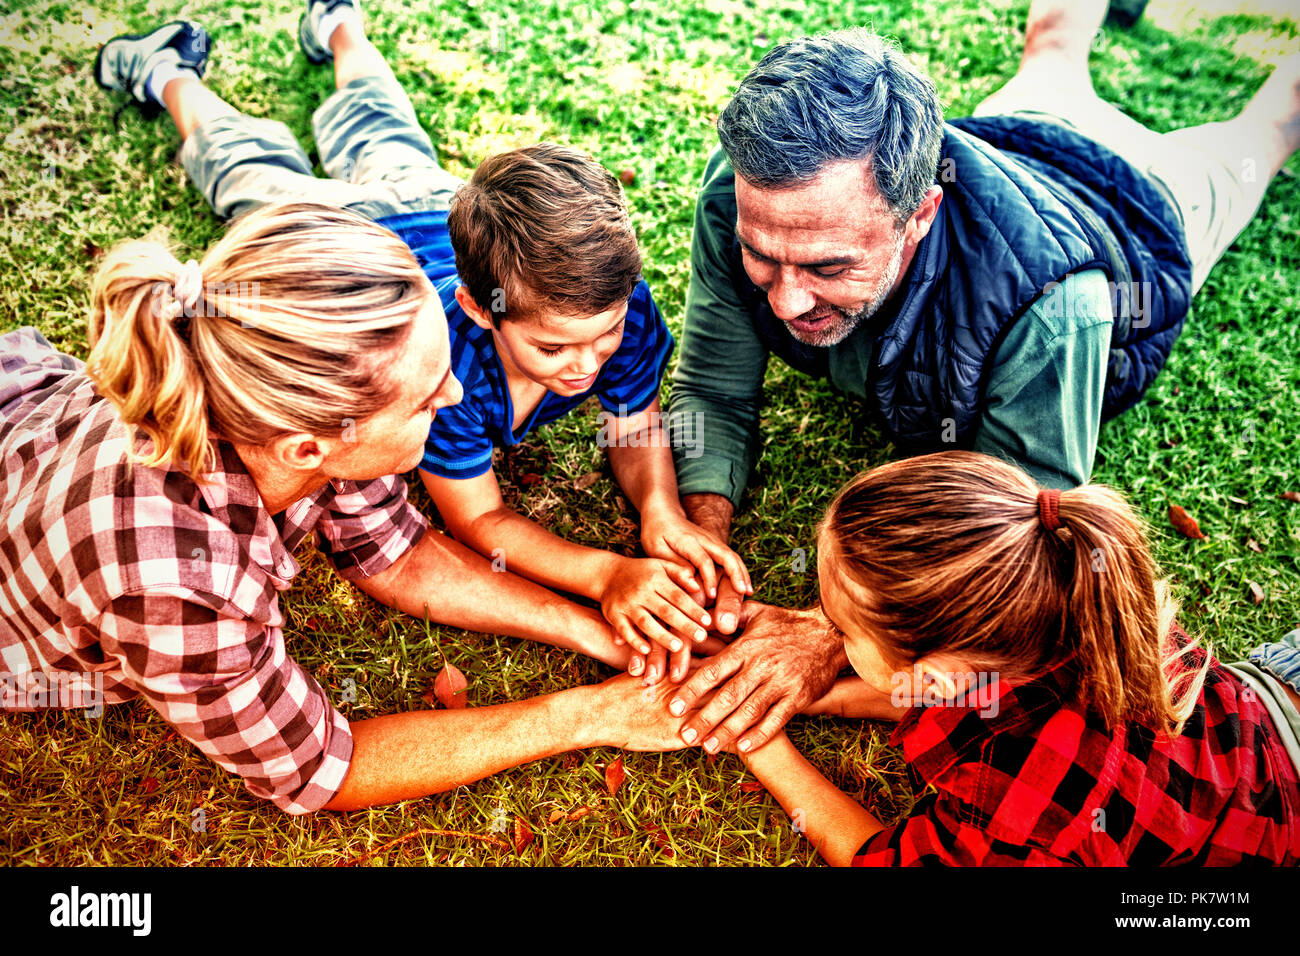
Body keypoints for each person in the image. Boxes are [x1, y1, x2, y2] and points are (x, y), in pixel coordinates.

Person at [662, 0, 1300, 757]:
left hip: (1148, 199)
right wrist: (701, 546)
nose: (785, 298)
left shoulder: (1055, 312)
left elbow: (1013, 537)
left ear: (921, 213)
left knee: (1268, 130)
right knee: (1053, 49)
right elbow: (711, 388)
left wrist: (829, 635)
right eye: (762, 255)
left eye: (828, 266)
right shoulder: (744, 198)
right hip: (1020, 133)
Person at [93, 2, 750, 684]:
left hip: (431, 200)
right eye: (553, 348)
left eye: (607, 333)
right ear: (479, 309)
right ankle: (169, 71)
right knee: (244, 170)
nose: (587, 364)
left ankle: (339, 27)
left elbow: (635, 424)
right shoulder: (439, 372)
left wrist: (660, 510)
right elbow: (483, 517)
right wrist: (606, 574)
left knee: (382, 123)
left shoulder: (616, 306)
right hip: (340, 248)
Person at [0, 204, 695, 815]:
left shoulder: (299, 408)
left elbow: (397, 555)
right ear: (308, 449)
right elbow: (323, 769)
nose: (454, 396)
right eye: (426, 399)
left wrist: (592, 631)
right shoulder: (174, 584)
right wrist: (589, 714)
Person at [726, 451, 1300, 865]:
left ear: (932, 677)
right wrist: (822, 699)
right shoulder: (1061, 595)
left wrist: (758, 742)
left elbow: (883, 860)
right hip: (1277, 681)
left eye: (844, 630)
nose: (827, 635)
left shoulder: (1017, 808)